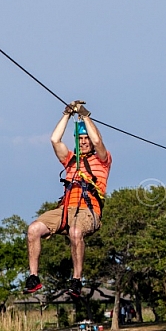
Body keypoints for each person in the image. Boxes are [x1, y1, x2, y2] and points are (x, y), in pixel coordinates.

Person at [23, 101, 111, 298]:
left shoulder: (102, 160)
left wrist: (85, 116)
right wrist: (67, 114)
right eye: (80, 139)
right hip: (66, 209)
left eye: (85, 139)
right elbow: (55, 140)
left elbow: (97, 141)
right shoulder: (70, 160)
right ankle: (34, 277)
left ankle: (77, 279)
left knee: (76, 231)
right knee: (33, 229)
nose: (84, 142)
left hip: (88, 211)